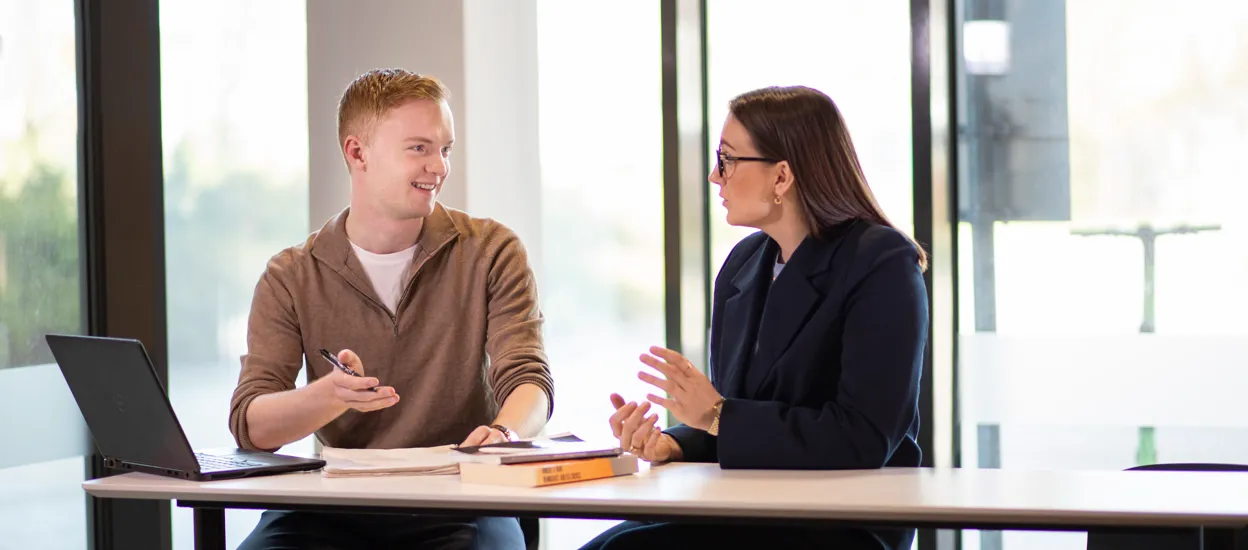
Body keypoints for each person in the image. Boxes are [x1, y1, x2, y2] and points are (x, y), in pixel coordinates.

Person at [582, 86, 929, 550]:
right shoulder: (744, 265)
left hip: (840, 523)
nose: (714, 175)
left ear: (781, 176)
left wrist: (717, 415)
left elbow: (861, 437)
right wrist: (675, 443)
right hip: (749, 508)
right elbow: (738, 419)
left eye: (727, 160)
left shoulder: (882, 263)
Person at [229, 68, 553, 550]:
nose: (439, 167)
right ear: (357, 153)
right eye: (419, 148)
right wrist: (331, 396)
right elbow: (251, 427)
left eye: (445, 149)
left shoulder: (492, 251)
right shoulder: (290, 275)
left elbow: (529, 379)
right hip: (332, 509)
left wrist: (505, 433)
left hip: (460, 502)